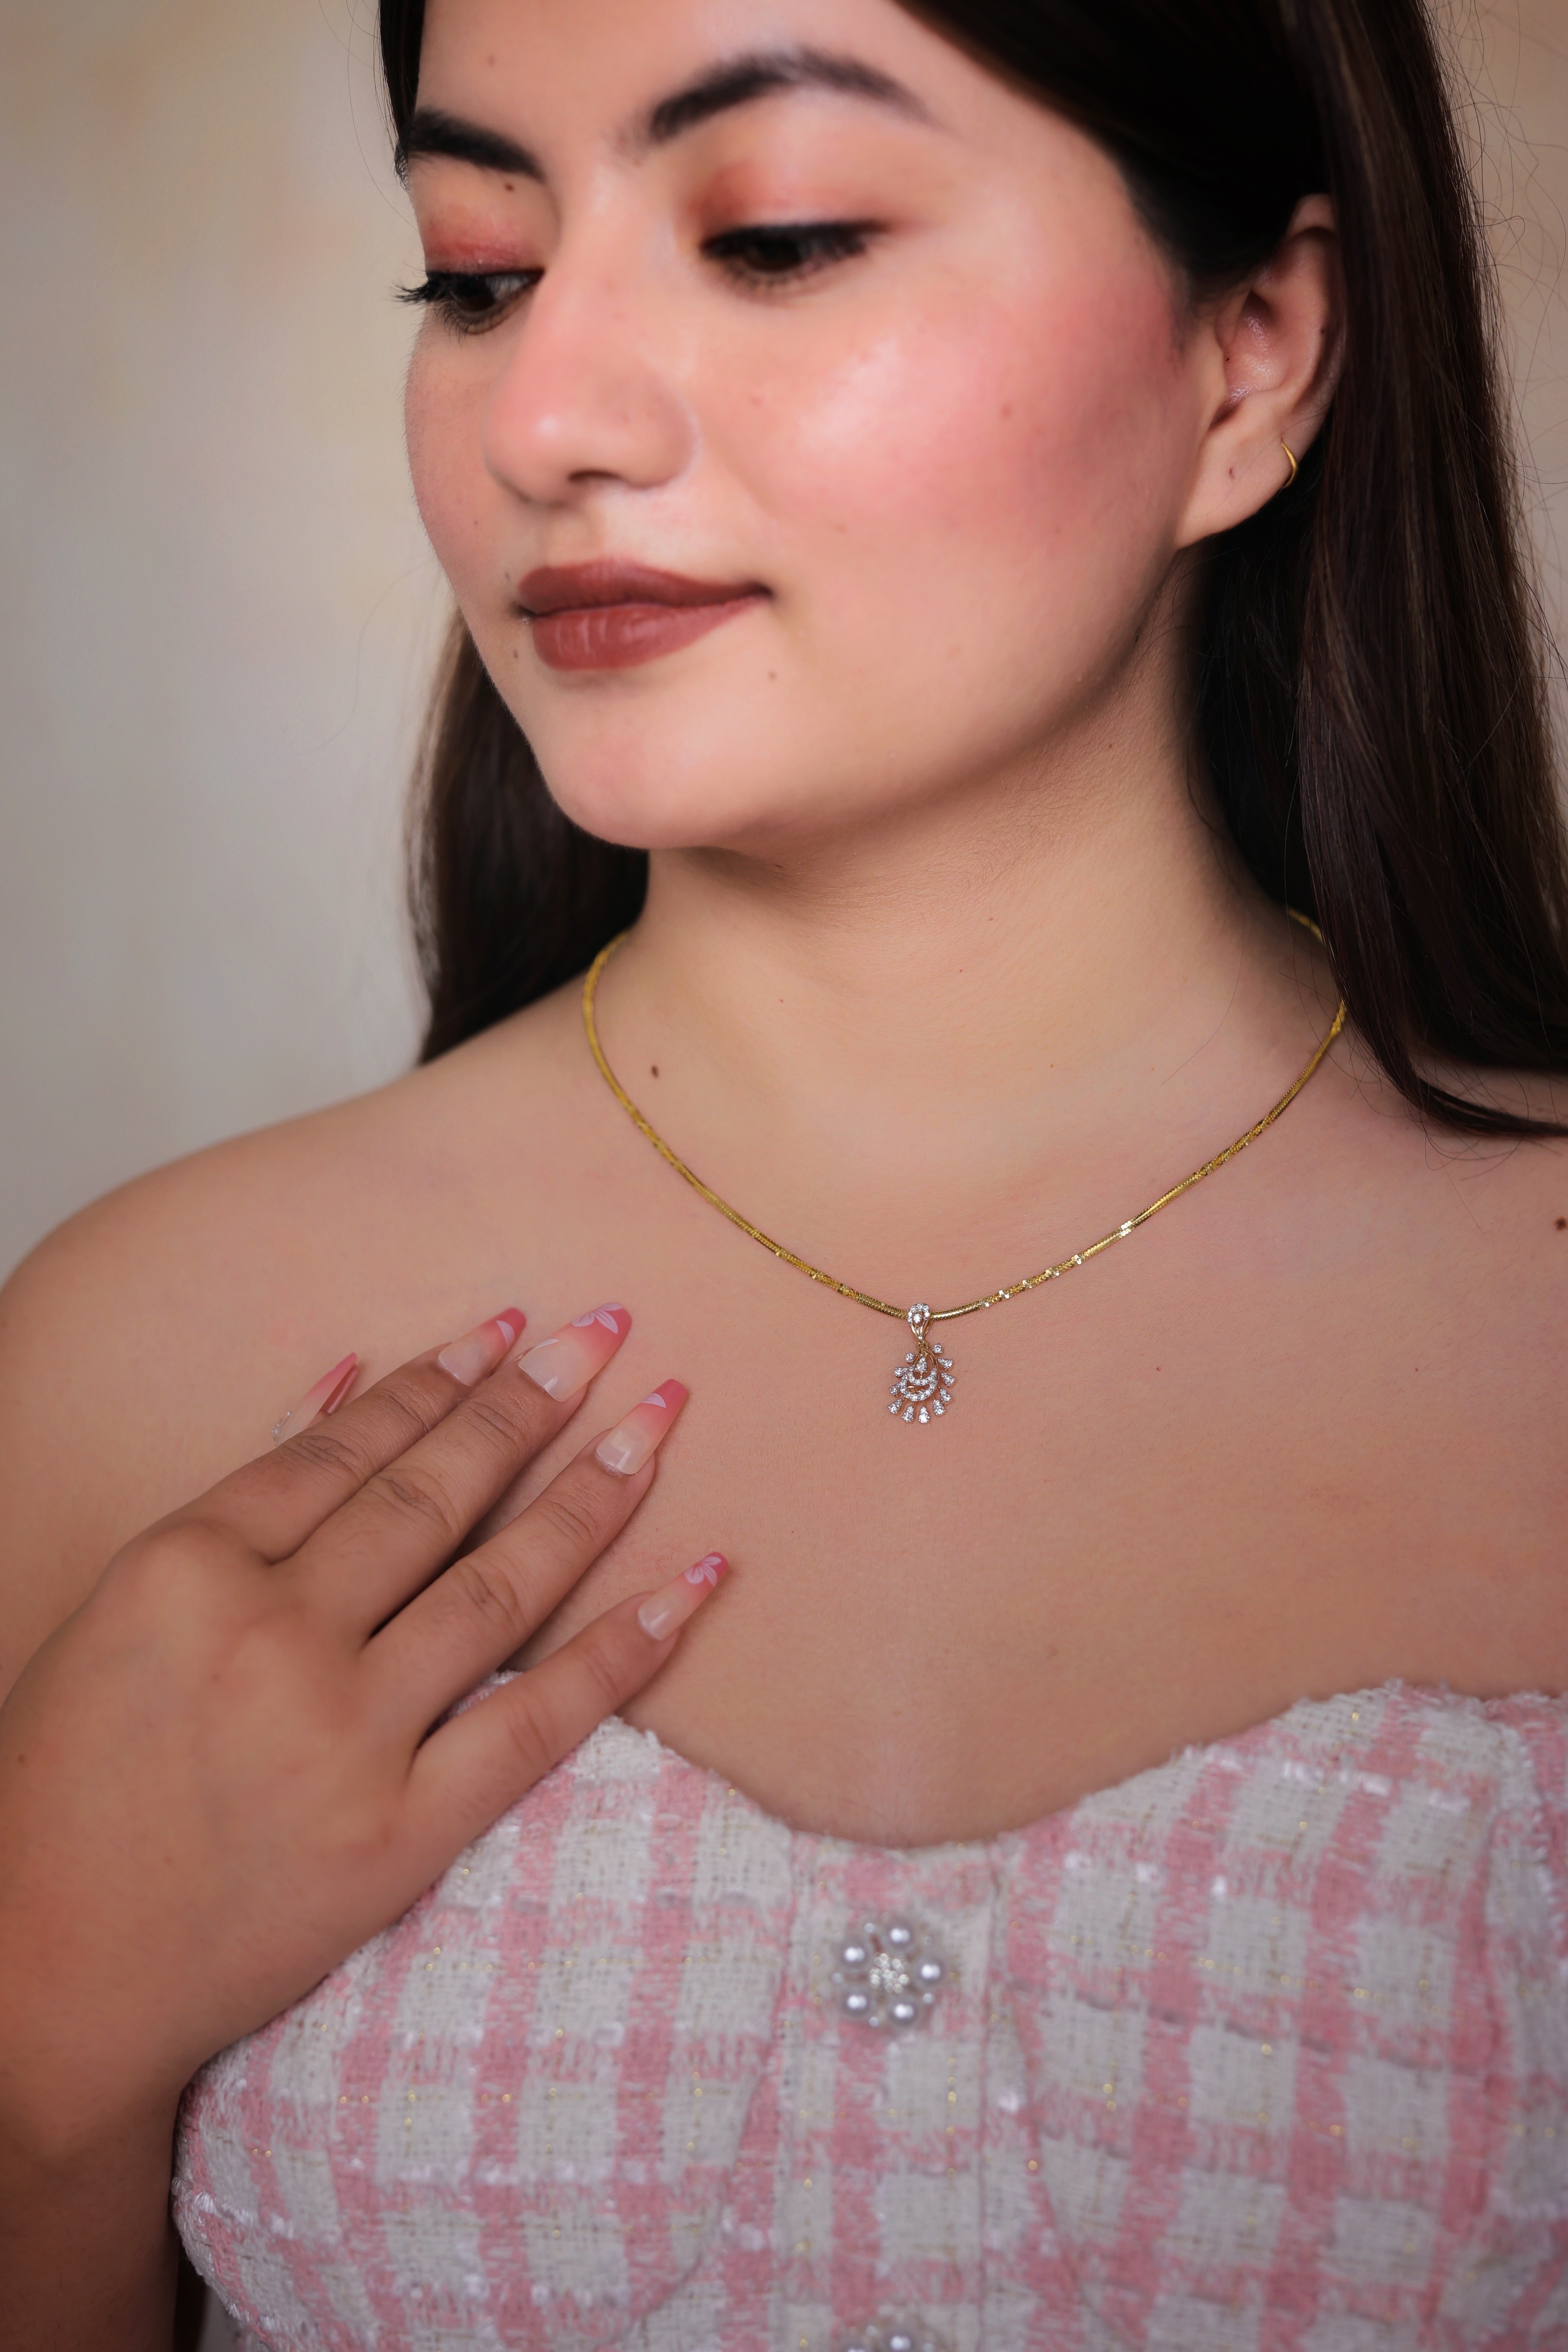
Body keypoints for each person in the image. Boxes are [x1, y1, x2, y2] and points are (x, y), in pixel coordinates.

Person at [3, 0, 1567, 2343]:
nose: (541, 417)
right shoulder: (130, 1365)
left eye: (782, 236)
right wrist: (38, 2055)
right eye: (478, 271)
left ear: (1254, 350)